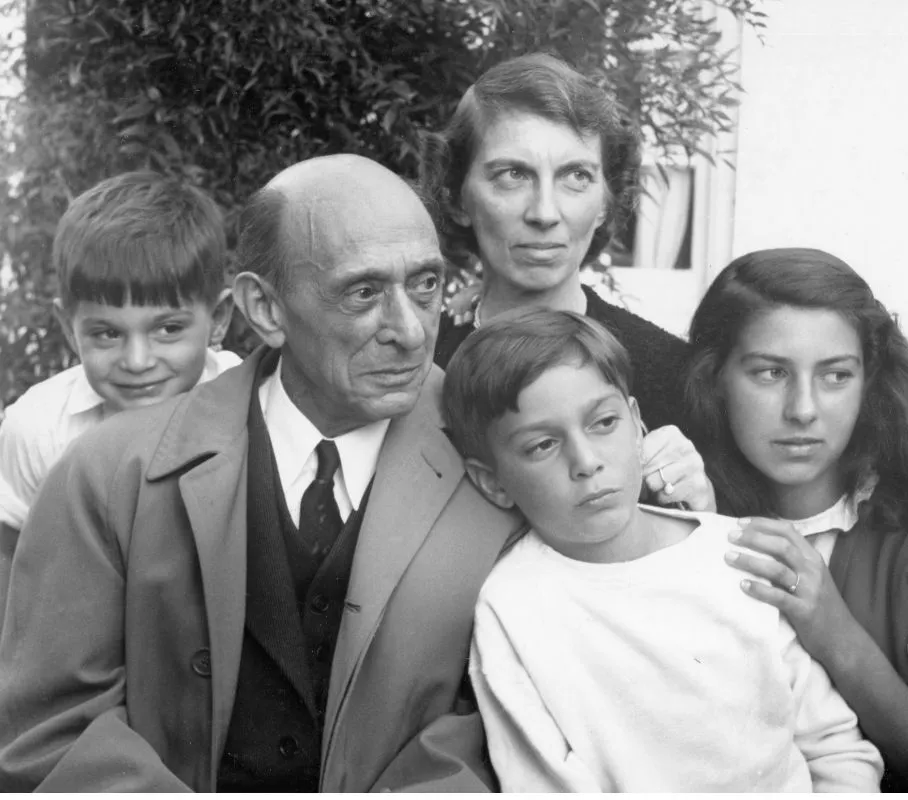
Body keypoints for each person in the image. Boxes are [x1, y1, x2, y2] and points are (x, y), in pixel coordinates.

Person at [0, 155, 525, 791]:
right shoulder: (107, 475)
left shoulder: (503, 462)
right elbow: (53, 728)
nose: (411, 332)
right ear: (264, 309)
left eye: (426, 285)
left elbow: (516, 724)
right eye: (363, 292)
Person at [441, 308, 884, 792]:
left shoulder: (736, 554)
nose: (586, 462)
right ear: (492, 481)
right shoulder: (511, 605)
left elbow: (836, 748)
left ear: (637, 423)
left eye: (604, 422)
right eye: (543, 445)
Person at [684, 247, 908, 791]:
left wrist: (833, 632)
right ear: (716, 377)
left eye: (834, 376)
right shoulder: (689, 513)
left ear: (868, 382)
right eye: (770, 372)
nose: (803, 409)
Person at [421, 52, 711, 511]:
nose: (544, 213)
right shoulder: (419, 366)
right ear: (456, 197)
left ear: (605, 204)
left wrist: (700, 512)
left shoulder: (671, 376)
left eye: (576, 176)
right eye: (512, 175)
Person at [0, 170, 239, 615]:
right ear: (69, 331)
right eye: (107, 334)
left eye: (168, 329)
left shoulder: (249, 408)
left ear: (219, 318)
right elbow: (10, 557)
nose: (137, 361)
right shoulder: (36, 427)